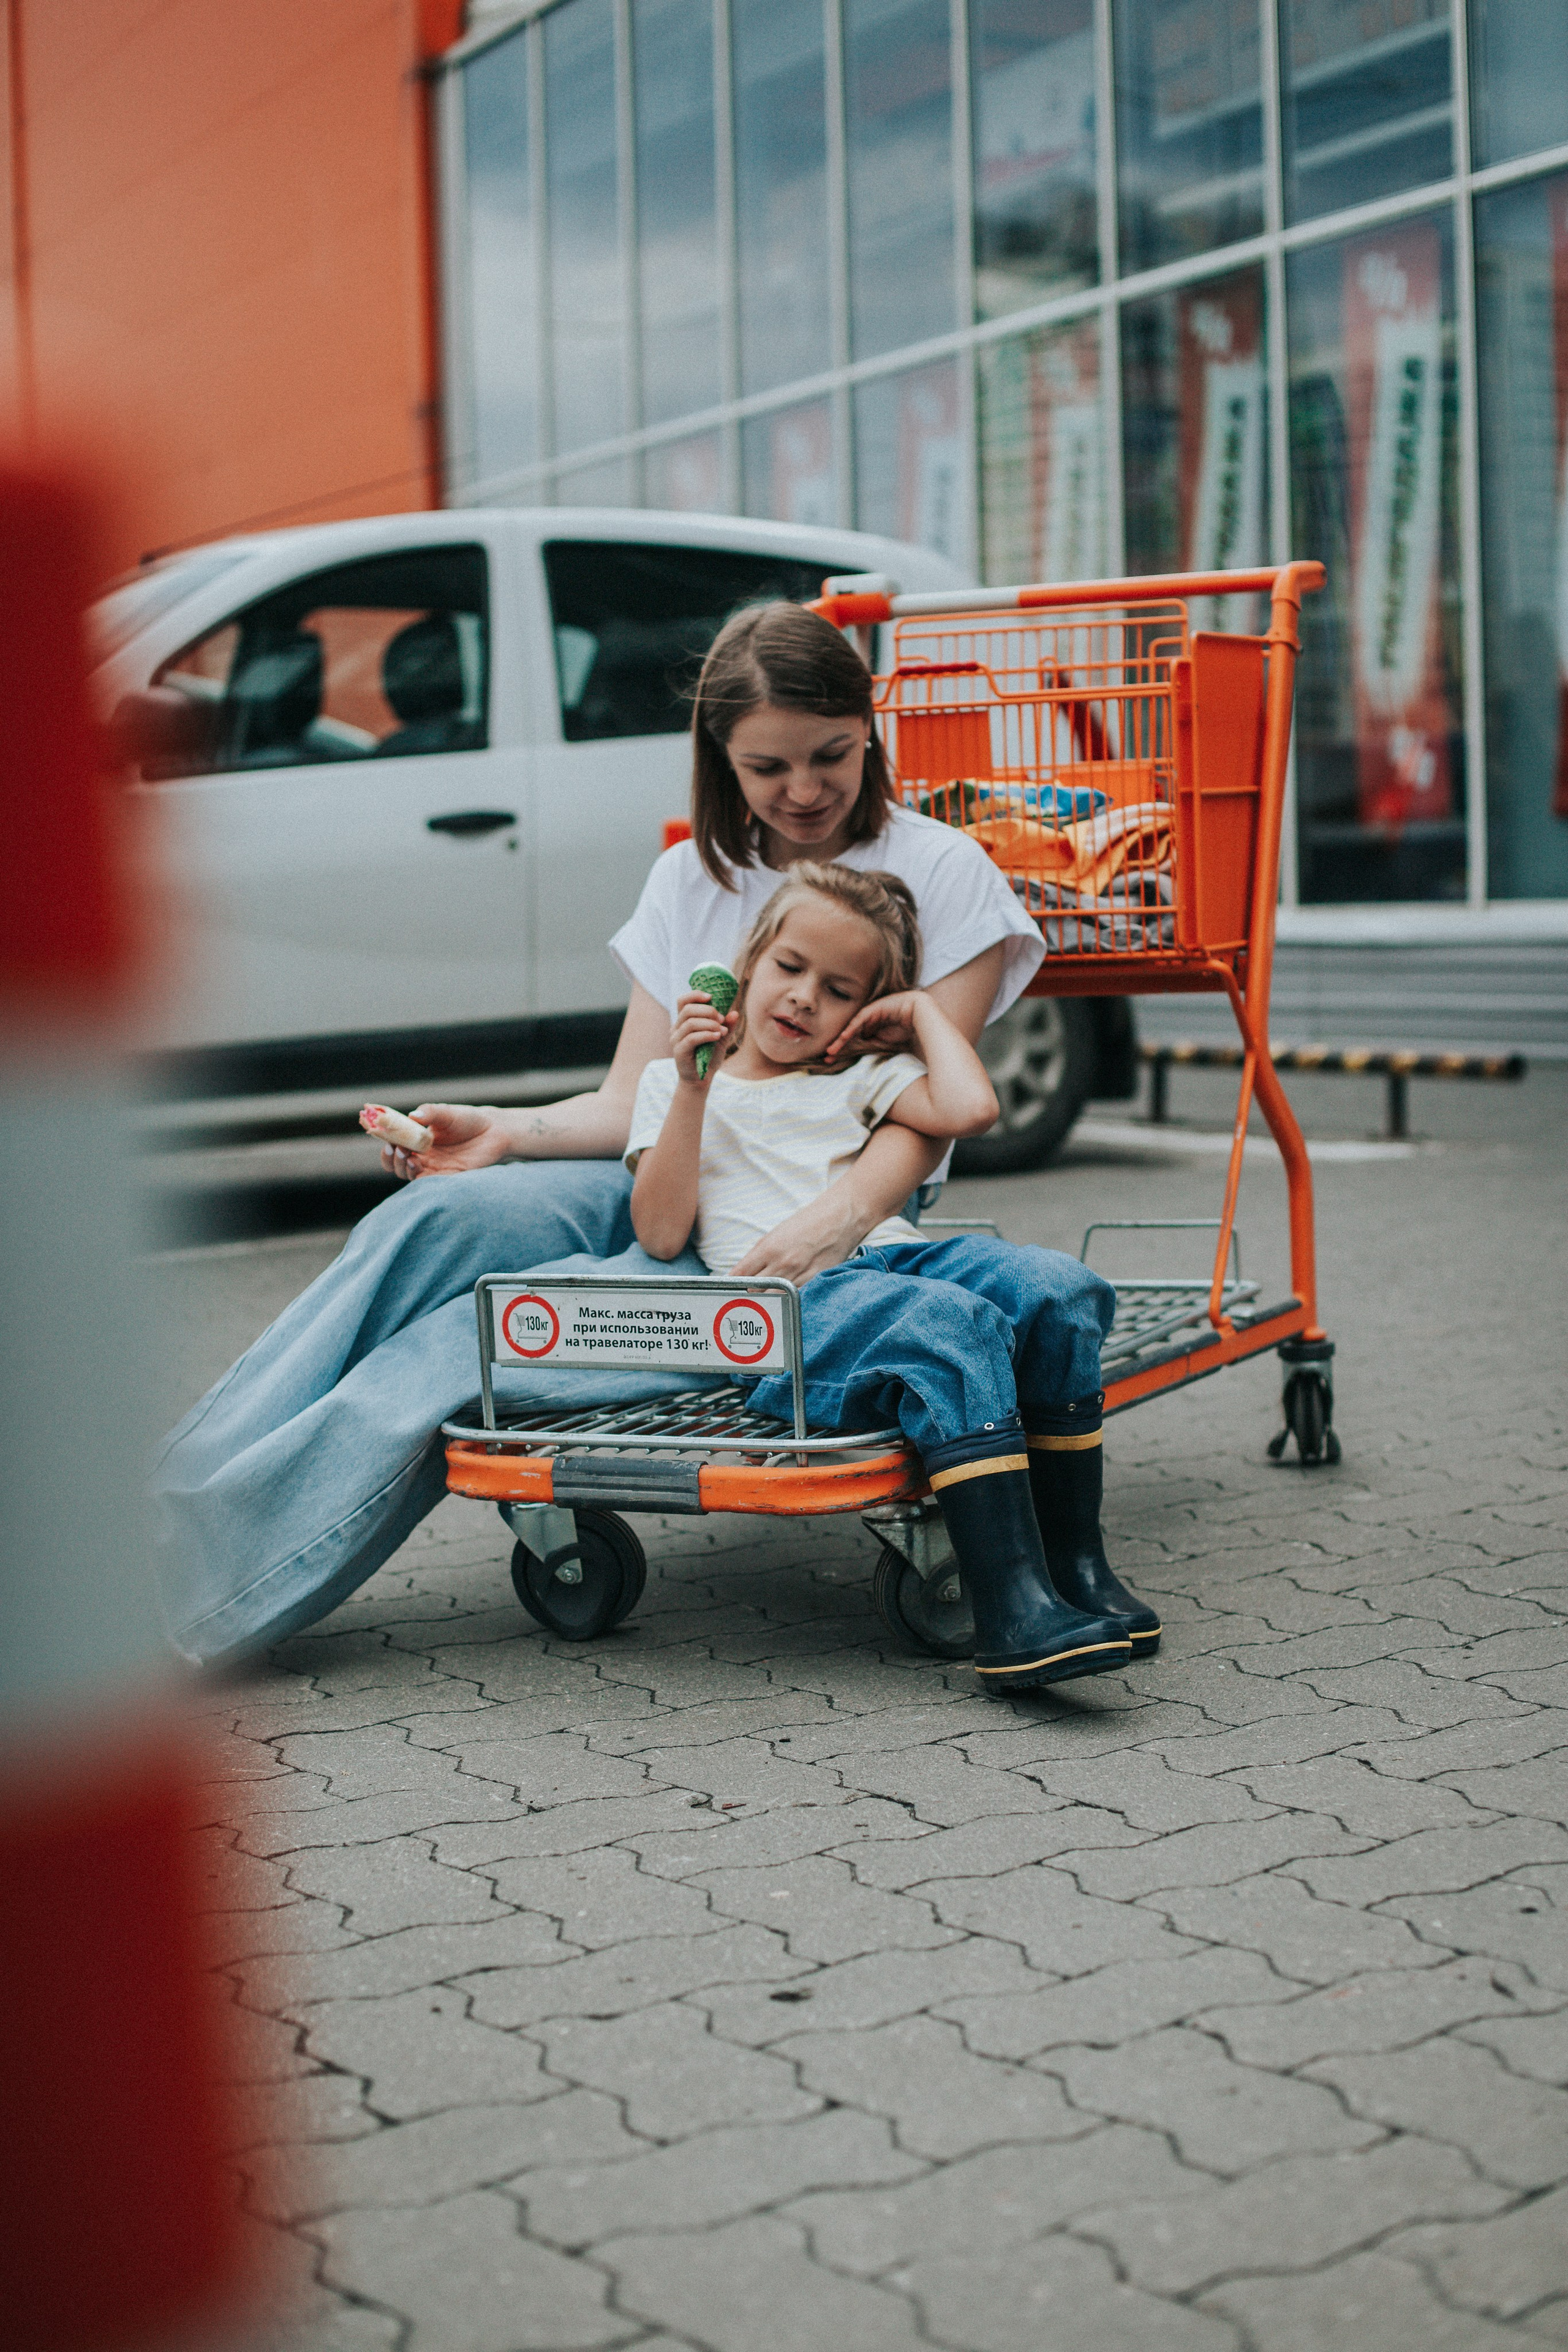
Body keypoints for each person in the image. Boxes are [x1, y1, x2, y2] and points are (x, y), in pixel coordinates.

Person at [154, 601, 1047, 1666]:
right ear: (719, 757)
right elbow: (633, 1100)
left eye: (832, 756)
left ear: (871, 732)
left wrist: (839, 1220)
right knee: (426, 1221)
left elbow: (920, 1108)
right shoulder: (692, 879)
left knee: (460, 1349)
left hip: (792, 1211)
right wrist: (503, 1131)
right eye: (767, 767)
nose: (805, 791)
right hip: (670, 1162)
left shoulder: (942, 870)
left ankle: (180, 1605)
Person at [629, 860, 1160, 1687]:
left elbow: (973, 1110)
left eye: (839, 989)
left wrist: (920, 1013)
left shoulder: (861, 1076)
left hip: (898, 1257)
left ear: (864, 1009)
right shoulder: (672, 1083)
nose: (805, 997)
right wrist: (695, 1089)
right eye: (789, 967)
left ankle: (1074, 1569)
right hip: (791, 1310)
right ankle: (1012, 1607)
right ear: (750, 962)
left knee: (1058, 1289)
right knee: (948, 1325)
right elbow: (661, 1233)